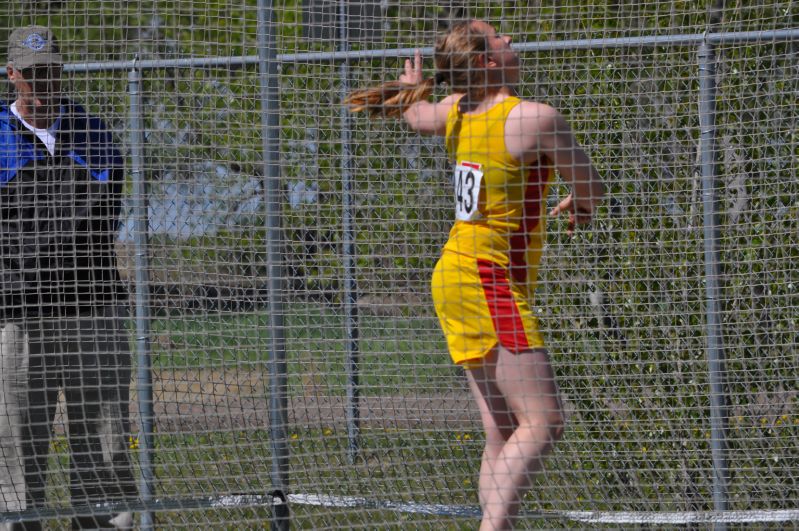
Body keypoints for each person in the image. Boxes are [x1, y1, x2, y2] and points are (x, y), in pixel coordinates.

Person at [346, 20, 604, 530]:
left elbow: (416, 115)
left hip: (453, 276)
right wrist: (581, 199)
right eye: (501, 38)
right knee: (545, 420)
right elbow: (593, 189)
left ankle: (496, 524)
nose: (512, 40)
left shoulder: (456, 111)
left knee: (501, 427)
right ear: (488, 61)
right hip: (489, 279)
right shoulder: (535, 119)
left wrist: (405, 89)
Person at [0, 26, 136, 529]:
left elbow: (101, 221)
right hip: (17, 320)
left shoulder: (95, 135)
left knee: (105, 445)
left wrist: (33, 239)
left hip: (92, 312)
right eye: (33, 74)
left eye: (52, 72)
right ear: (12, 75)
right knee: (17, 452)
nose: (43, 84)